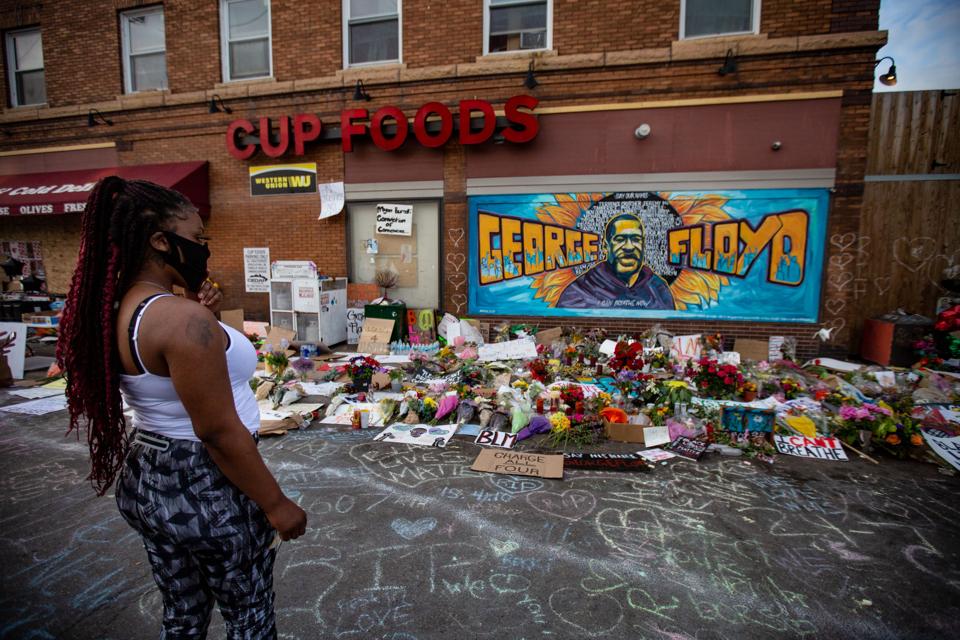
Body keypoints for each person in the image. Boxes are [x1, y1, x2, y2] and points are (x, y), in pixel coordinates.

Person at [56, 177, 306, 638]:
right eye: (196, 239)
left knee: (184, 611)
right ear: (159, 240)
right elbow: (216, 430)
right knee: (249, 615)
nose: (203, 250)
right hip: (206, 484)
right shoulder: (181, 319)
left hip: (148, 475)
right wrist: (276, 504)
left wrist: (195, 307)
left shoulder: (120, 308)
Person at [557, 213, 675, 310]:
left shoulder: (658, 289)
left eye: (636, 239)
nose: (629, 247)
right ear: (605, 247)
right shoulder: (580, 290)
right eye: (620, 239)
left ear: (643, 246)